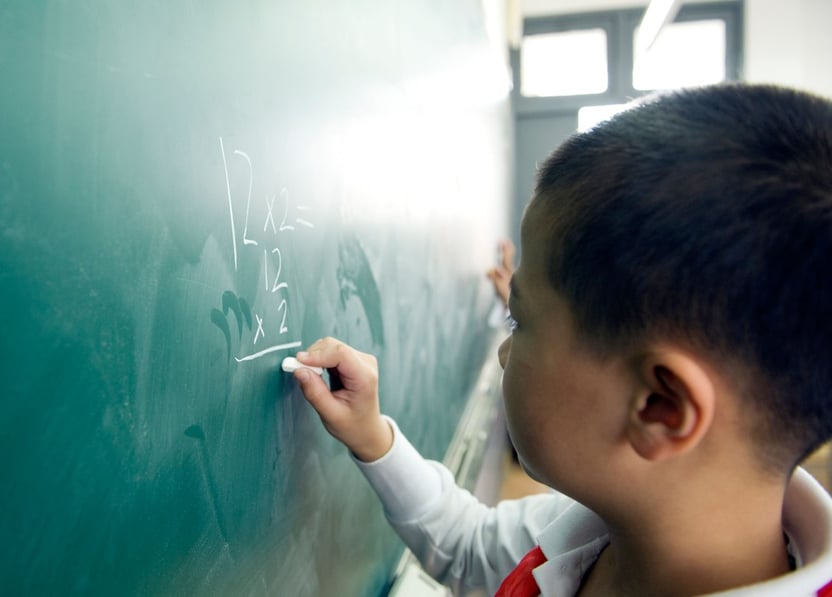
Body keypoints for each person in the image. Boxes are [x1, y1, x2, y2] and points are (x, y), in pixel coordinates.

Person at [290, 83, 832, 596]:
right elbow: (470, 546)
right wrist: (372, 439)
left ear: (659, 406)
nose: (504, 353)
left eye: (519, 322)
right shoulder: (597, 529)